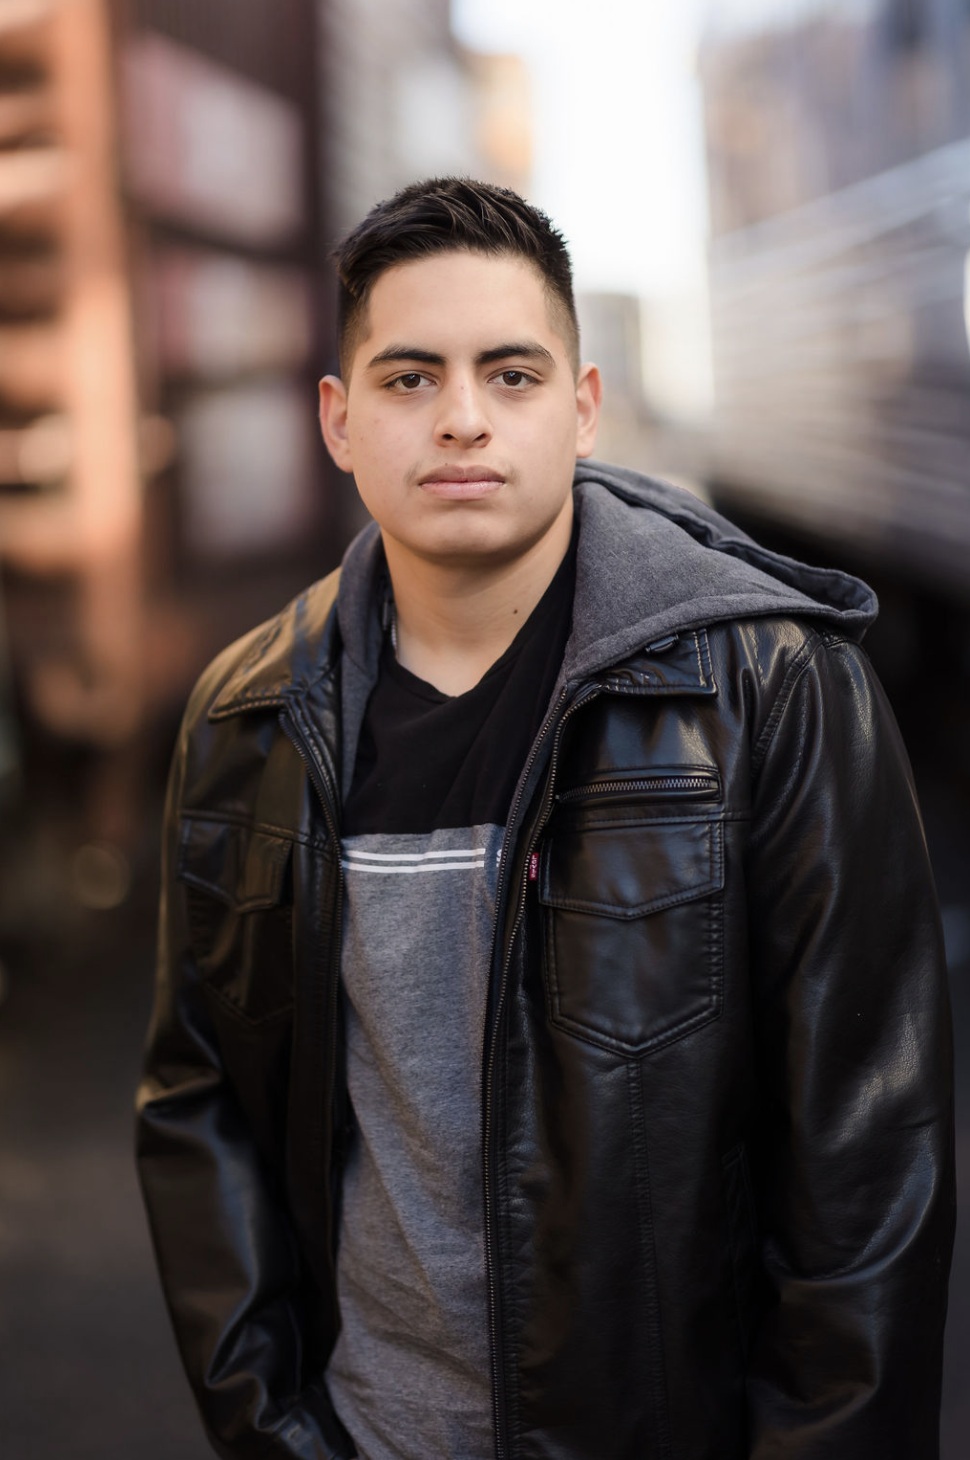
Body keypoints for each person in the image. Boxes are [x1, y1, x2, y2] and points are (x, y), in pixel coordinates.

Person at [136, 177, 955, 1460]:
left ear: (581, 407)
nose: (462, 418)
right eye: (410, 379)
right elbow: (205, 1104)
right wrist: (272, 1424)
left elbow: (865, 1168)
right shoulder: (246, 720)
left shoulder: (772, 689)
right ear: (338, 422)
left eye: (509, 375)